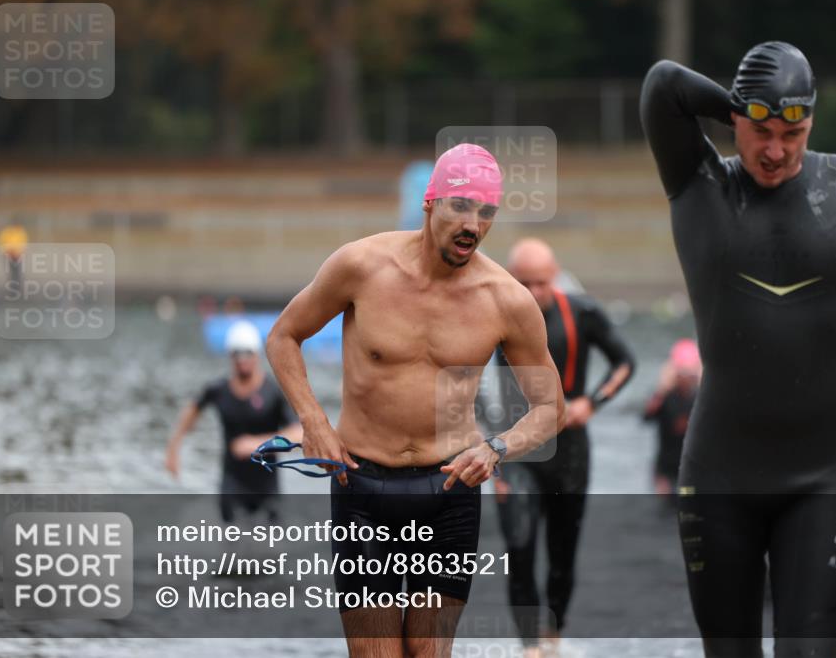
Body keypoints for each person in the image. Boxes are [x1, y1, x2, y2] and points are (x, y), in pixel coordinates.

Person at [640, 41, 836, 657]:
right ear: (734, 122)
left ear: (813, 123)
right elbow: (663, 83)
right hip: (717, 474)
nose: (775, 149)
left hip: (822, 475)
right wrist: (742, 104)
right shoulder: (698, 184)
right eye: (761, 131)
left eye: (793, 131)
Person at [265, 143, 565, 658]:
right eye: (461, 206)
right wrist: (314, 421)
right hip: (361, 482)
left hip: (447, 487)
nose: (473, 223)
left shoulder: (505, 299)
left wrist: (496, 447)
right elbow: (283, 337)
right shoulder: (362, 266)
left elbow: (550, 407)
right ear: (430, 203)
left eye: (486, 211)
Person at [484, 238, 634, 657]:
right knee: (520, 548)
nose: (533, 293)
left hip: (569, 451)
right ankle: (531, 646)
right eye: (523, 282)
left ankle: (553, 634)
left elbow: (625, 362)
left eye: (541, 283)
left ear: (556, 277)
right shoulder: (492, 314)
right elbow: (466, 387)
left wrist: (594, 401)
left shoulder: (582, 313)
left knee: (562, 556)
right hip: (515, 453)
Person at [165, 320, 302, 523]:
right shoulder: (218, 390)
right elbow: (192, 411)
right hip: (232, 484)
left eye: (247, 352)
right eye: (236, 353)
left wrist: (257, 445)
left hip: (267, 487)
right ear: (230, 355)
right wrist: (173, 449)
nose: (242, 359)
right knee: (231, 547)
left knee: (271, 549)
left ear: (256, 354)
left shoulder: (272, 392)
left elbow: (298, 433)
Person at [644, 338, 701, 495]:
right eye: (682, 374)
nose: (686, 379)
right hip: (665, 466)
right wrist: (661, 389)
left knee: (688, 509)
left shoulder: (700, 397)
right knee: (662, 511)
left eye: (689, 374)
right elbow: (646, 417)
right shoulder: (664, 396)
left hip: (692, 468)